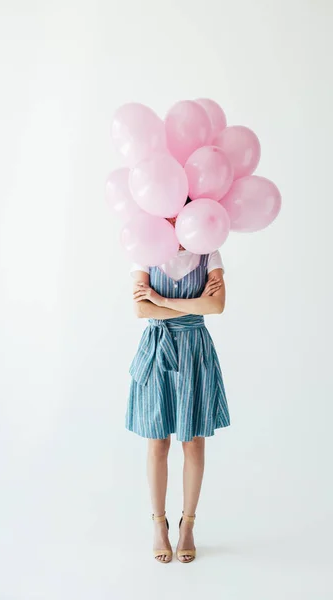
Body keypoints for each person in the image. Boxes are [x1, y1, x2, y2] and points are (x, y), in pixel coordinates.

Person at [125, 207, 231, 564]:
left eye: (181, 212)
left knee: (193, 441)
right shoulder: (145, 249)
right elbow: (141, 312)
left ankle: (187, 525)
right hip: (158, 350)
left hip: (194, 352)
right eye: (168, 213)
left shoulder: (208, 251)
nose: (173, 221)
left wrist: (163, 301)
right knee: (157, 441)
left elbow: (217, 306)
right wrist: (187, 305)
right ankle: (159, 524)